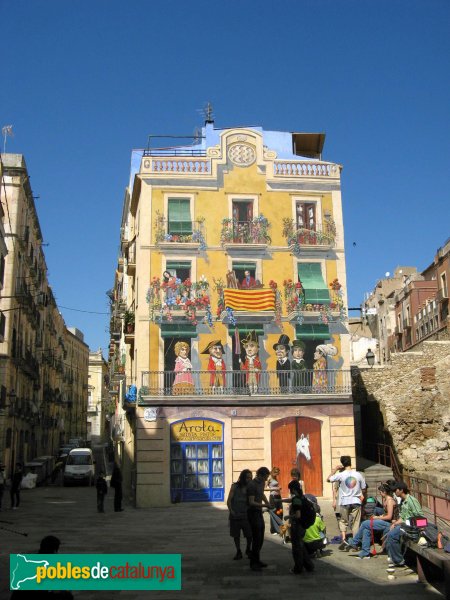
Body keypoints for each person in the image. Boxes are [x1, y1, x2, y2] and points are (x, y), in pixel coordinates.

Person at [345, 482, 399, 559]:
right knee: (366, 530)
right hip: (384, 521)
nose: (380, 494)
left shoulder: (390, 501)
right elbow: (385, 514)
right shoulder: (385, 499)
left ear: (384, 492)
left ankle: (355, 542)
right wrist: (379, 516)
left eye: (380, 492)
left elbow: (389, 517)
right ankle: (365, 552)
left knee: (365, 523)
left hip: (389, 524)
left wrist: (377, 518)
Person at [327, 455, 366, 550]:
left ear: (342, 464)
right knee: (355, 523)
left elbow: (328, 479)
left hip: (344, 501)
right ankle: (355, 542)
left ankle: (344, 538)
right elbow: (364, 488)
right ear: (350, 462)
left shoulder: (341, 475)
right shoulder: (358, 474)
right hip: (356, 501)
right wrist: (361, 495)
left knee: (343, 521)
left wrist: (335, 469)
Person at [385, 481, 424, 572]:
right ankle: (393, 556)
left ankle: (398, 560)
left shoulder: (411, 500)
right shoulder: (402, 501)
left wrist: (419, 529)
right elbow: (402, 517)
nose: (394, 492)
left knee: (392, 535)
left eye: (396, 490)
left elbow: (420, 516)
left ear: (401, 490)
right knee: (389, 530)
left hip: (412, 527)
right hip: (405, 525)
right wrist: (394, 524)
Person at [288, 479, 314, 574]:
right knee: (301, 546)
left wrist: (289, 516)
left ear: (293, 490)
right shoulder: (302, 497)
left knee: (297, 548)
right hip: (303, 526)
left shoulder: (296, 499)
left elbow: (298, 515)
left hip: (297, 526)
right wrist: (279, 500)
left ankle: (298, 568)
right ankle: (309, 565)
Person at [247, 466, 271, 571]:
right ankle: (253, 563)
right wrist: (265, 506)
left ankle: (257, 559)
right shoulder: (252, 485)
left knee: (261, 537)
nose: (266, 479)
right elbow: (251, 502)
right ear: (260, 475)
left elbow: (261, 494)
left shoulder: (261, 483)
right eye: (265, 477)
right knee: (256, 537)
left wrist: (267, 502)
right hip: (252, 513)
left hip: (259, 513)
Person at [226, 469, 252, 560]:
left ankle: (248, 549)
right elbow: (229, 500)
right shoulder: (234, 486)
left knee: (249, 534)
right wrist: (231, 511)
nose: (249, 479)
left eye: (250, 478)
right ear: (243, 477)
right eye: (247, 477)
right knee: (236, 535)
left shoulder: (250, 488)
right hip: (235, 515)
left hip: (246, 515)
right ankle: (238, 551)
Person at [266, 467, 283, 534]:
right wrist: (273, 489)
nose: (277, 474)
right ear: (273, 472)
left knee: (280, 511)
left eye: (277, 473)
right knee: (274, 512)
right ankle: (273, 530)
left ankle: (279, 528)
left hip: (278, 496)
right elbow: (264, 488)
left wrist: (278, 488)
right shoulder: (269, 478)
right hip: (273, 497)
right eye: (276, 473)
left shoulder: (275, 478)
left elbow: (276, 486)